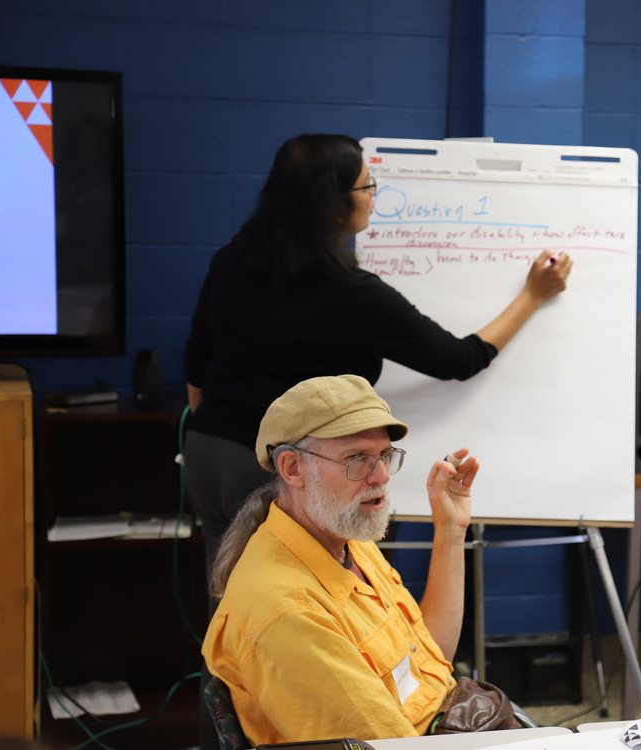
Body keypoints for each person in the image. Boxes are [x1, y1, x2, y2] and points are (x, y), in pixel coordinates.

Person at [184, 133, 571, 573]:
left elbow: (195, 368)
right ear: (332, 204)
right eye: (366, 187)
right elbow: (459, 359)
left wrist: (224, 438)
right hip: (274, 471)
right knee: (308, 602)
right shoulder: (351, 293)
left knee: (230, 602)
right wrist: (534, 296)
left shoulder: (231, 260)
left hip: (207, 456)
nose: (373, 197)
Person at [203, 374, 474, 744]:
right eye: (357, 458)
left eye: (383, 455)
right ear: (292, 468)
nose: (380, 476)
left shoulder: (343, 536)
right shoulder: (288, 611)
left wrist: (450, 529)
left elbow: (432, 660)